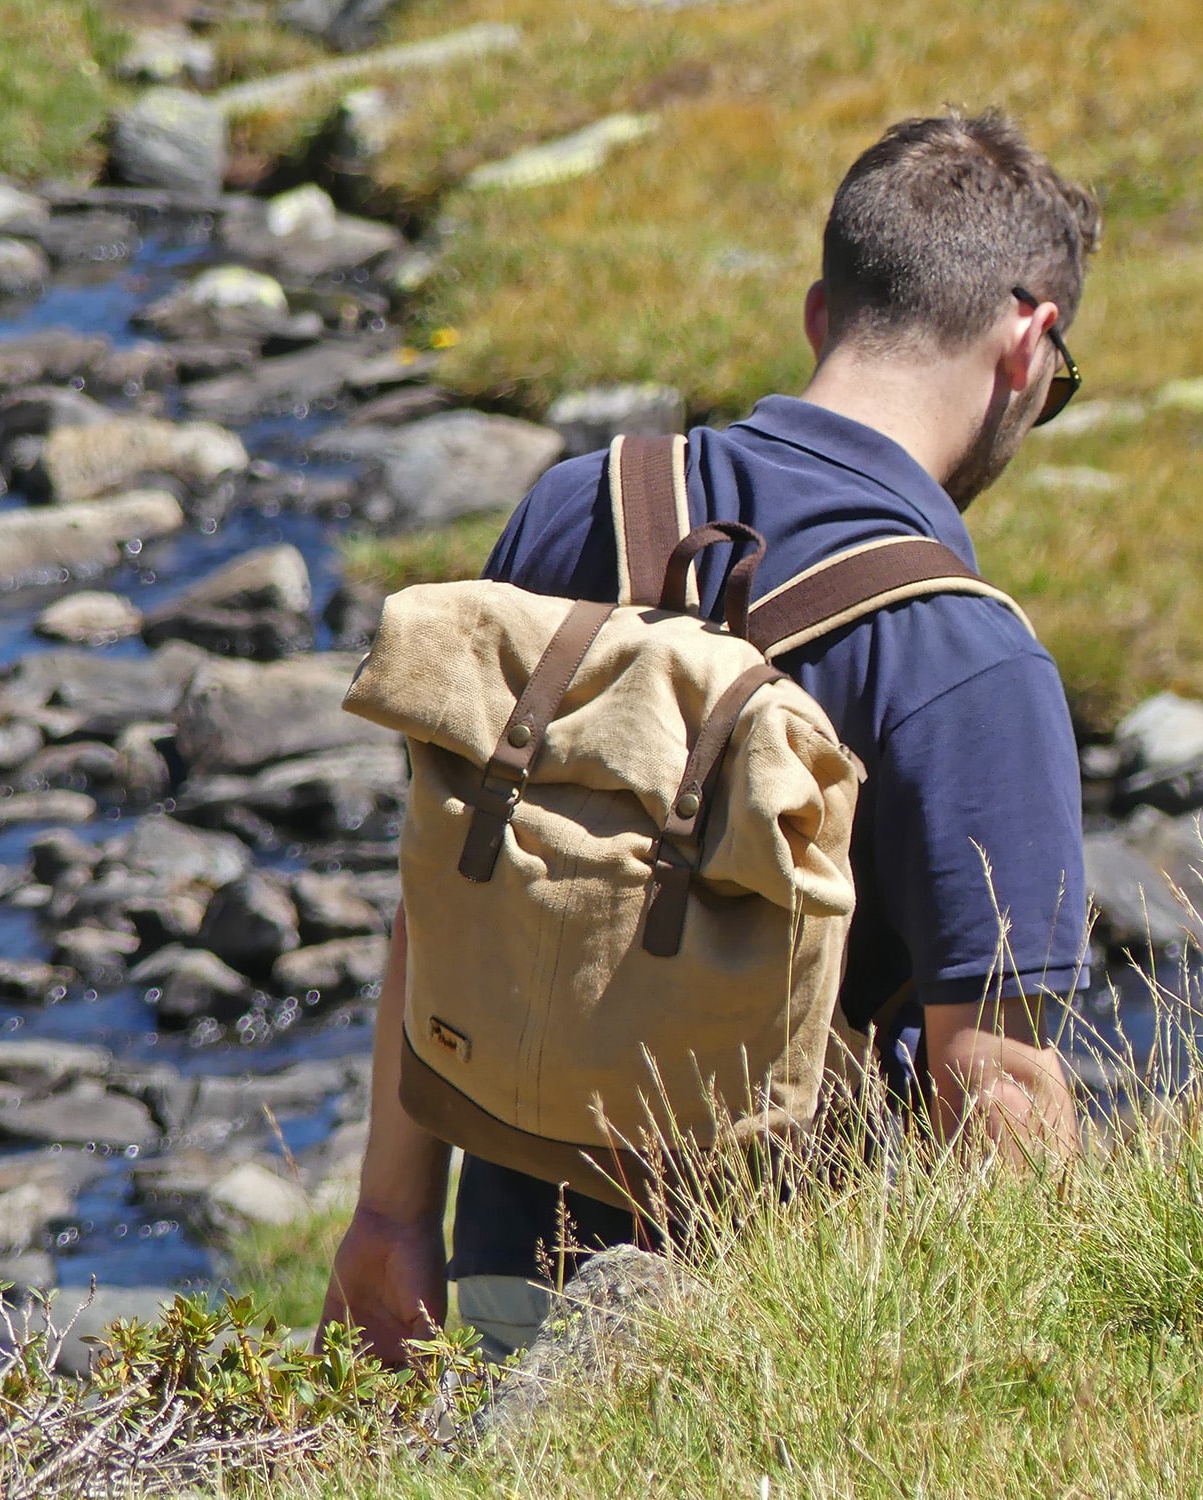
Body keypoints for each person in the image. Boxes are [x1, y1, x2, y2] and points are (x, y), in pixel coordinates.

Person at [321, 111, 1101, 1366]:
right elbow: (992, 1084)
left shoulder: (581, 506)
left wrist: (385, 1220)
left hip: (514, 1277)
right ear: (1026, 343)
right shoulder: (969, 655)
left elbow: (445, 887)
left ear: (818, 314)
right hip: (790, 1328)